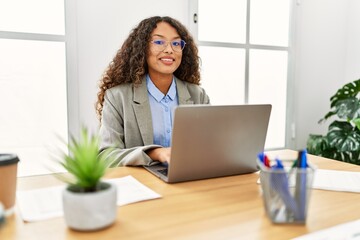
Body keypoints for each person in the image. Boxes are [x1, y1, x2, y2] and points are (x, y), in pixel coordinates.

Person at [96, 16, 210, 167]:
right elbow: (106, 155)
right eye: (159, 42)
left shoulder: (198, 95)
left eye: (176, 43)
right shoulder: (118, 97)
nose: (169, 49)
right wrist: (155, 153)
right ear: (142, 48)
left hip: (189, 179)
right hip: (143, 184)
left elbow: (210, 146)